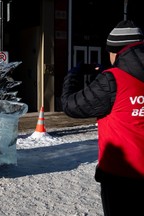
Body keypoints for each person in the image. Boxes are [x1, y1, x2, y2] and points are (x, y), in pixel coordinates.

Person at [61, 20, 144, 216]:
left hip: (120, 177)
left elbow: (71, 106)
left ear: (116, 51)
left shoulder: (112, 79)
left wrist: (73, 76)